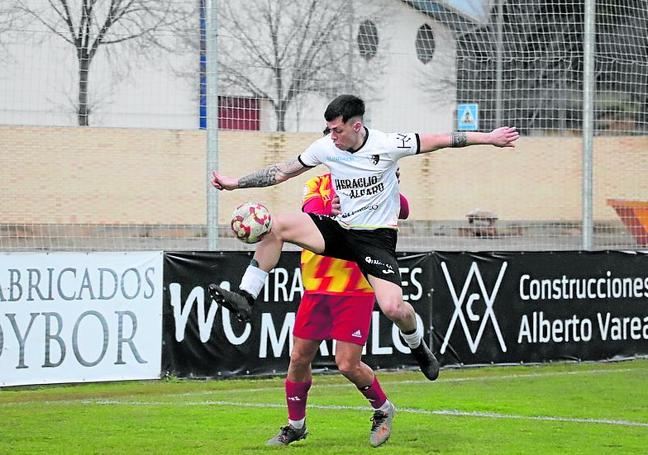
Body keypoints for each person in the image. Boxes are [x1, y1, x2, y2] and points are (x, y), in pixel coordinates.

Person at [208, 94, 518, 383]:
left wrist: (489, 138)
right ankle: (246, 298)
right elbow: (281, 171)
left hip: (375, 241)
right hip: (340, 230)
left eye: (337, 130)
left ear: (356, 126)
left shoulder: (387, 143)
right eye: (329, 130)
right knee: (275, 226)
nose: (332, 137)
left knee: (395, 309)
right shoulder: (326, 147)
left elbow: (441, 140)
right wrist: (235, 183)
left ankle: (418, 345)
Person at [267, 168, 411, 447]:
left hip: (354, 289)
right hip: (316, 288)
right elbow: (311, 211)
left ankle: (383, 409)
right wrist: (338, 206)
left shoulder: (373, 183)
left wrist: (389, 186)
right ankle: (296, 426)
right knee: (298, 358)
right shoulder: (317, 183)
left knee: (347, 364)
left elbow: (403, 209)